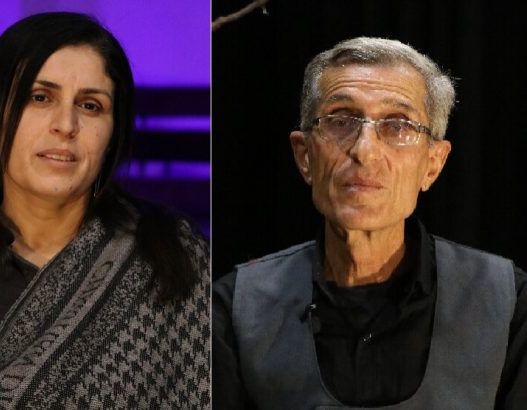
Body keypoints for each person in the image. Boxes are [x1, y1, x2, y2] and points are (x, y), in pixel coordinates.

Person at [0, 12, 209, 409]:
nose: (66, 124)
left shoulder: (173, 257)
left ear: (112, 134)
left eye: (90, 105)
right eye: (40, 97)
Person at [213, 37, 527, 409]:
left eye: (397, 126)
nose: (364, 150)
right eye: (340, 120)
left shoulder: (506, 302)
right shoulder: (235, 308)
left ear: (433, 164)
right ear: (304, 156)